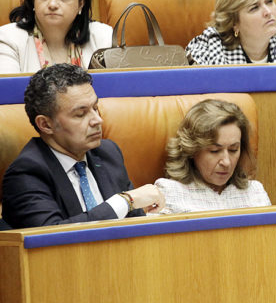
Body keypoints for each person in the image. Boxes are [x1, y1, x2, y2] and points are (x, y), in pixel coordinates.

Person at [1, 64, 164, 228]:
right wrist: (125, 200)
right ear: (46, 124)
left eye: (95, 108)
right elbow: (51, 239)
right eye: (80, 114)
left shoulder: (108, 153)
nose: (97, 120)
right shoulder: (26, 174)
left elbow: (133, 220)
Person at [155, 99, 271, 213]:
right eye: (215, 151)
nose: (226, 162)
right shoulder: (167, 193)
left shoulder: (255, 192)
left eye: (233, 150)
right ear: (192, 150)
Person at [0, 0, 113, 73]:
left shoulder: (103, 37)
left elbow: (115, 88)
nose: (52, 4)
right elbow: (8, 90)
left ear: (81, 4)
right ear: (33, 0)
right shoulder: (9, 39)